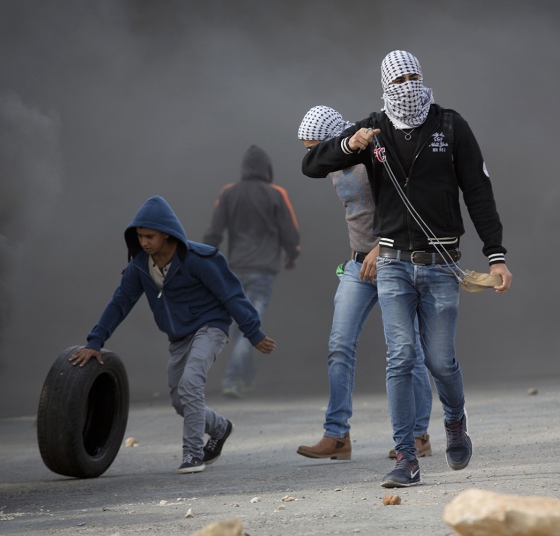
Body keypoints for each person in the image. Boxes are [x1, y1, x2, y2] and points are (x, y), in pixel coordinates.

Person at [302, 50, 513, 488]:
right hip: (394, 266)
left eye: (413, 76)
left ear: (424, 76)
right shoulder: (374, 129)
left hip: (441, 265)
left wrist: (496, 254)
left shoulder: (451, 126)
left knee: (440, 361)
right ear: (385, 85)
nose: (407, 86)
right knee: (400, 357)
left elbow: (478, 191)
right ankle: (406, 458)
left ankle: (454, 422)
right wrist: (348, 144)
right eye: (398, 80)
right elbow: (310, 164)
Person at [69, 195, 276, 474]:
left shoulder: (200, 259)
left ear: (167, 235)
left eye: (150, 236)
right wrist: (95, 341)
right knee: (181, 401)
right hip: (179, 337)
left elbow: (232, 295)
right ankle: (220, 427)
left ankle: (193, 455)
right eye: (140, 236)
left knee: (191, 384)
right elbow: (119, 304)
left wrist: (253, 332)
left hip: (210, 327)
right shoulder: (140, 267)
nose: (144, 242)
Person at [295, 105, 434, 461]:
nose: (313, 155)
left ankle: (419, 435)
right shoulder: (331, 164)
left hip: (394, 261)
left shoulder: (373, 154)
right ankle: (337, 435)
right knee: (339, 344)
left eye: (314, 146)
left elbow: (406, 206)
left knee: (407, 351)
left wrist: (381, 246)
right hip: (358, 267)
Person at [203, 145, 300, 398]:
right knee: (249, 326)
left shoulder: (228, 193)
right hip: (263, 271)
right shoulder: (276, 194)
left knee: (240, 325)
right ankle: (232, 380)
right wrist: (293, 255)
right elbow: (290, 232)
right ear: (267, 169)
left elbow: (214, 230)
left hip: (234, 271)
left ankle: (245, 379)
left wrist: (205, 260)